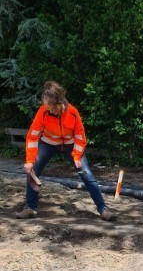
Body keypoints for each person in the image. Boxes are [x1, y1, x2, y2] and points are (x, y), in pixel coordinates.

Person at [15, 81, 115, 221]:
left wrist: (77, 156)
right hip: (47, 144)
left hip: (70, 146)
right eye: (47, 106)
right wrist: (30, 161)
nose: (49, 109)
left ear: (60, 103)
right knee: (33, 171)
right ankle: (30, 208)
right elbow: (32, 136)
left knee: (86, 174)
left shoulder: (73, 113)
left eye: (51, 107)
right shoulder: (43, 112)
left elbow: (80, 137)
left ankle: (103, 209)